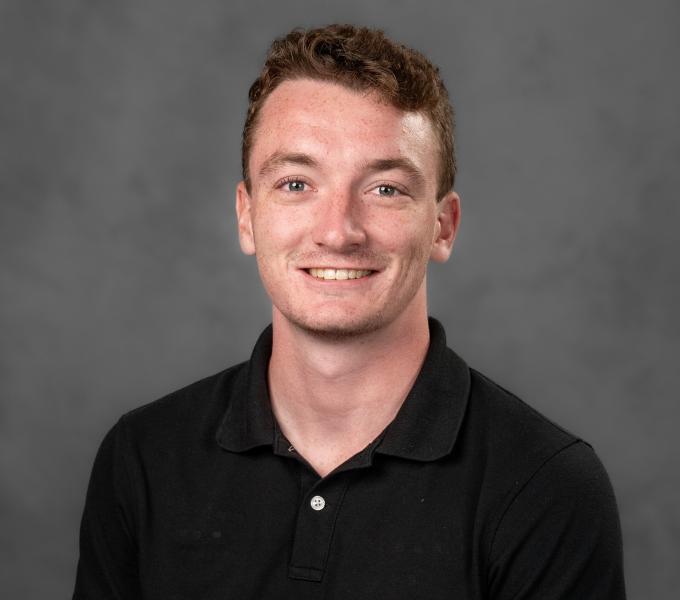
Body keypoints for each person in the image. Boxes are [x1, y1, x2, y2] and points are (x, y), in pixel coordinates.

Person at [73, 24, 626, 599]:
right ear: (246, 216)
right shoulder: (143, 458)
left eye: (385, 189)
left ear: (443, 226)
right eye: (295, 183)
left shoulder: (546, 486)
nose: (338, 231)